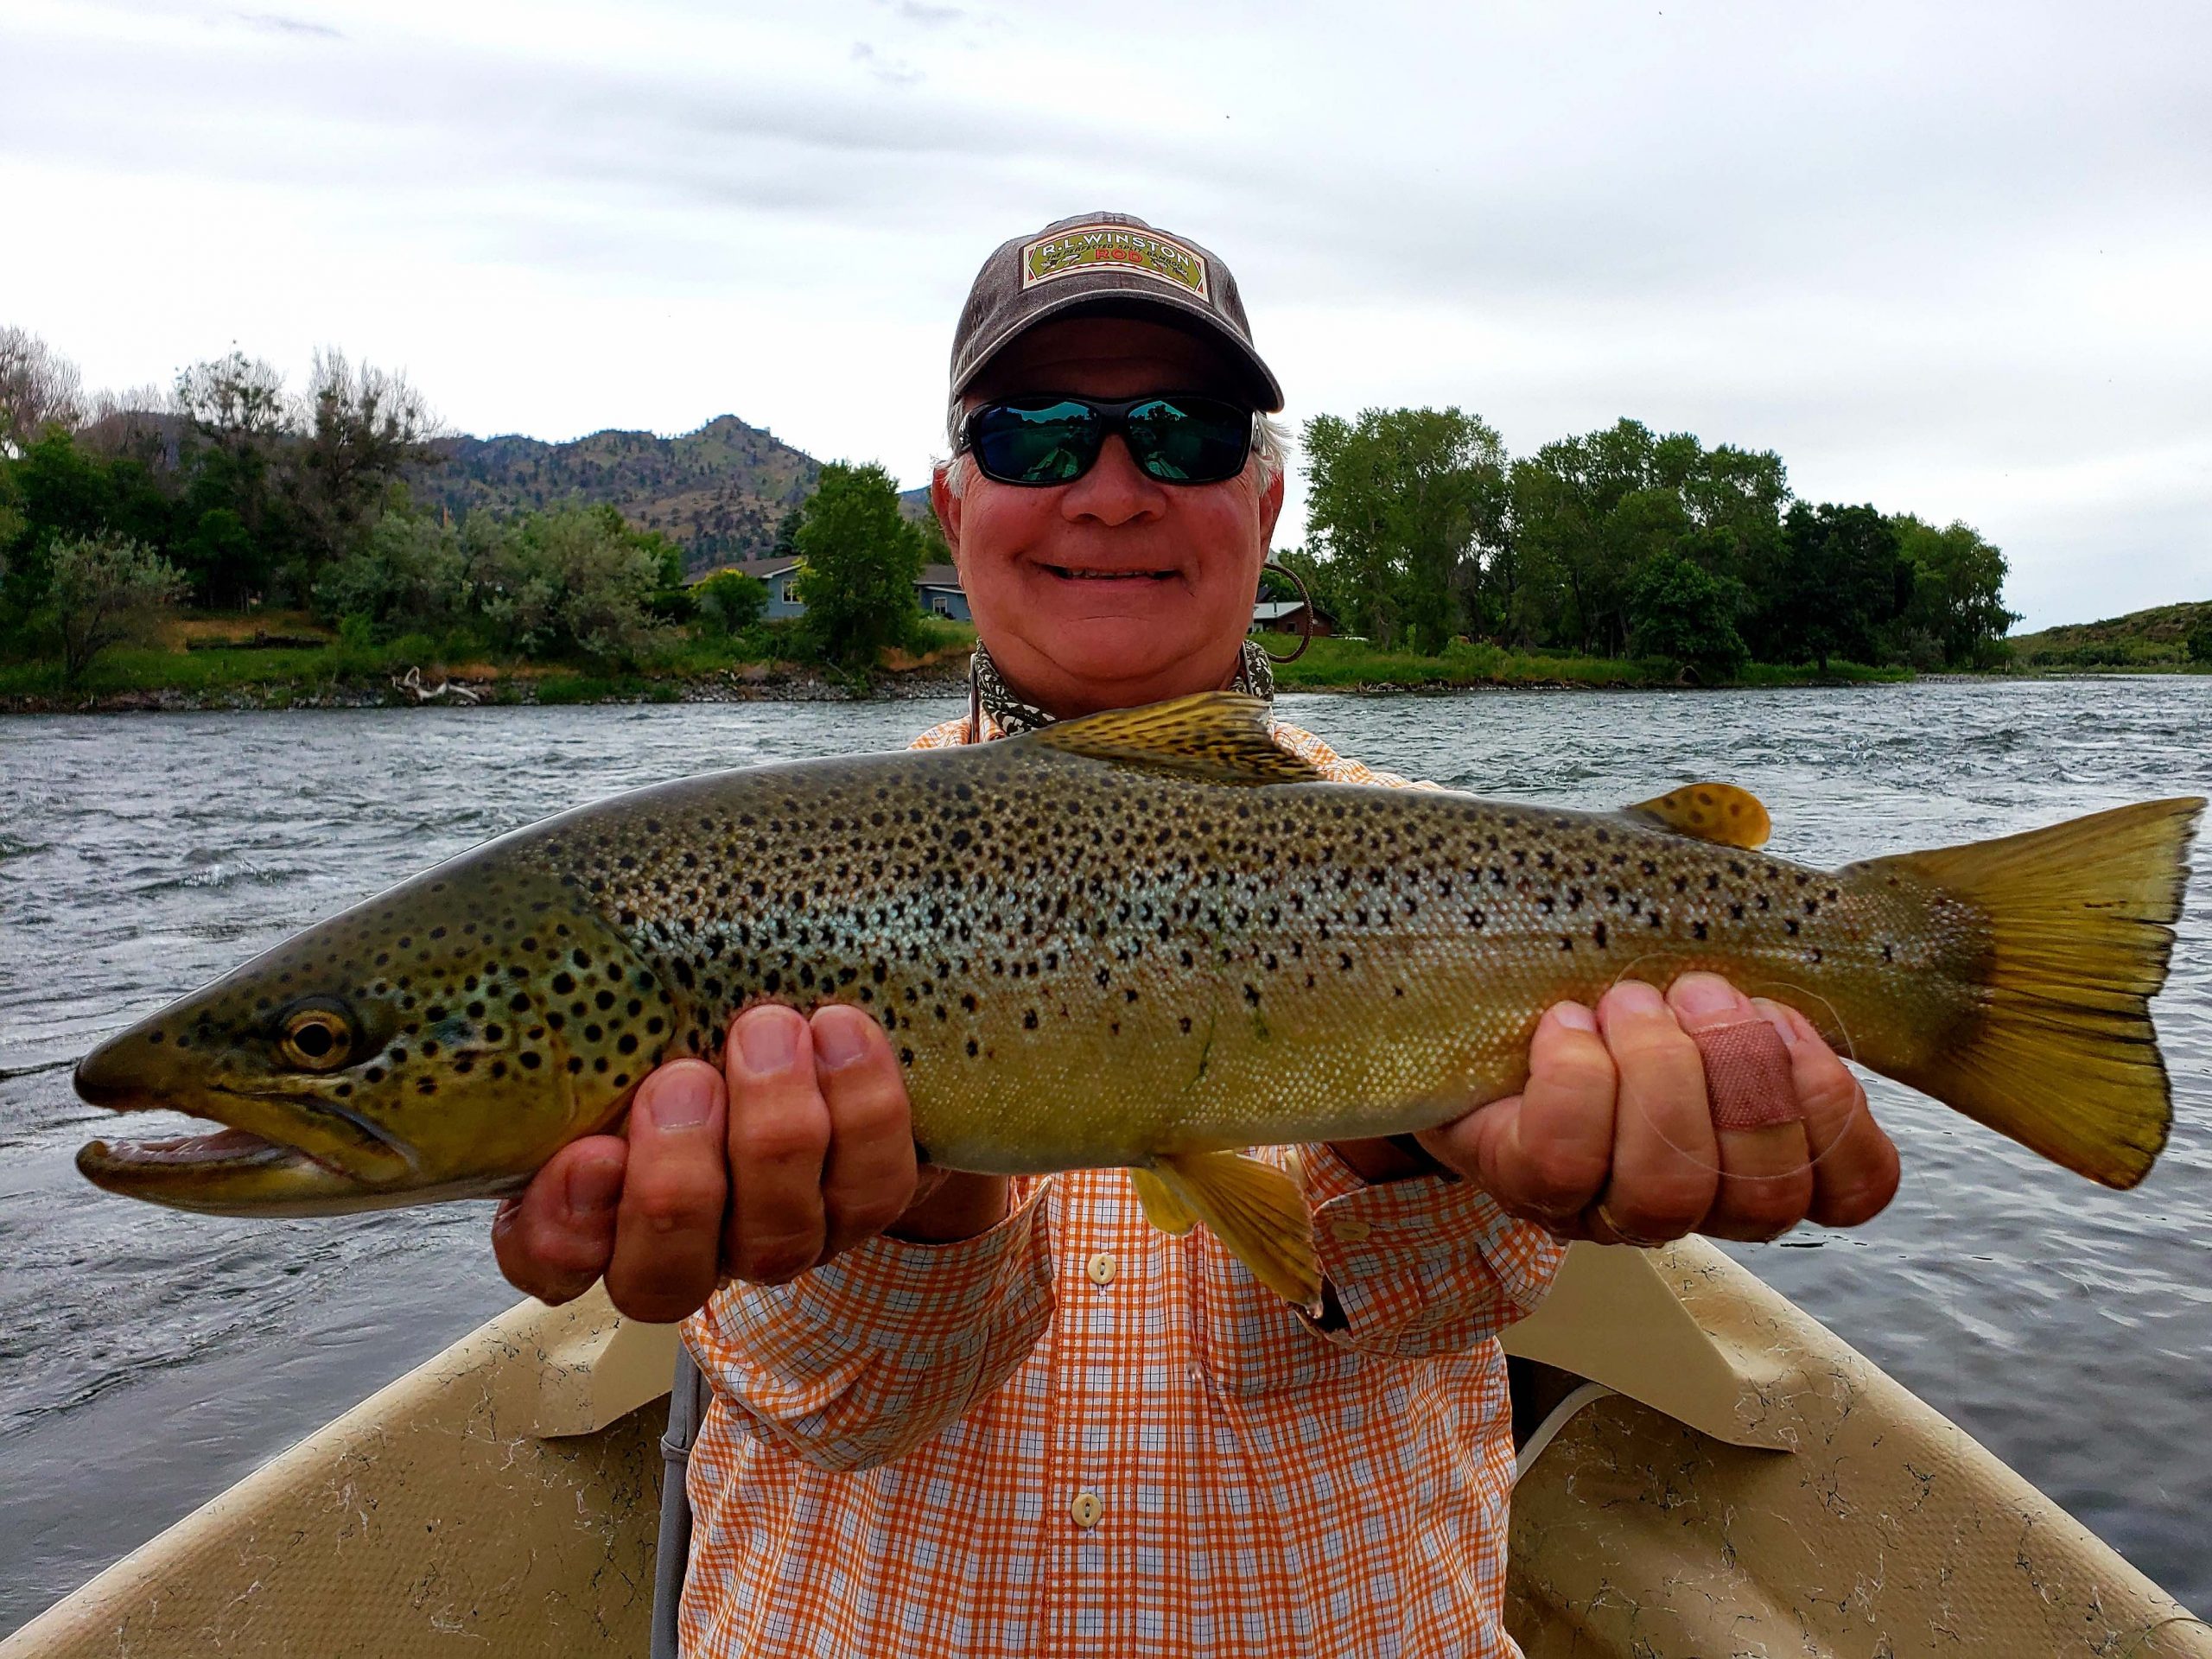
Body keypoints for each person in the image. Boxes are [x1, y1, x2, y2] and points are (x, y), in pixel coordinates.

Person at [493, 212, 1901, 1656]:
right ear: (949, 508)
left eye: (1186, 432)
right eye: (1038, 436)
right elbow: (834, 1407)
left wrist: (1400, 1136)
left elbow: (1442, 1309)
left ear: (1269, 504)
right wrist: (917, 1204)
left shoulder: (1465, 877)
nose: (1111, 489)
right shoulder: (746, 885)